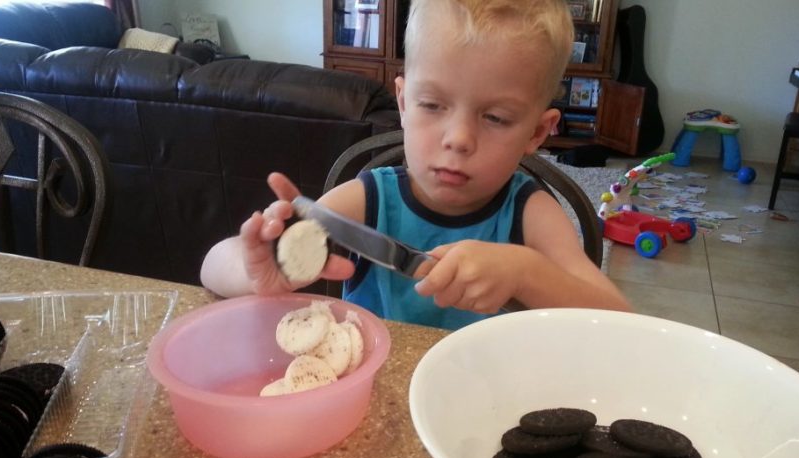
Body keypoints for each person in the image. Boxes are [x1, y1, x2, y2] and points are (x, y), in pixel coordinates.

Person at [200, 0, 631, 329]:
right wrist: (256, 270)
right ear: (403, 103)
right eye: (432, 105)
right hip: (377, 405)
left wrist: (526, 273)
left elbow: (621, 322)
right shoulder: (368, 200)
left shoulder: (531, 213)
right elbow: (212, 265)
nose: (458, 139)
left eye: (496, 117)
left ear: (537, 133)